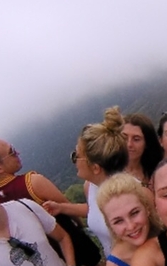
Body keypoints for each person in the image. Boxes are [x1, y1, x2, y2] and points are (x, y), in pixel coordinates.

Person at [0, 134, 103, 266]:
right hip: (70, 237)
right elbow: (68, 207)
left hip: (40, 256)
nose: (17, 153)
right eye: (12, 152)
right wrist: (79, 225)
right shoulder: (32, 182)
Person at [42, 107, 129, 257]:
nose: (74, 160)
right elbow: (94, 210)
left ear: (95, 168)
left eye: (77, 155)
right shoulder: (92, 187)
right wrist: (61, 208)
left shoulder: (127, 193)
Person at [121, 112, 163, 182]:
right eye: (124, 138)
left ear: (147, 143)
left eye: (136, 139)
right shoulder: (106, 170)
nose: (129, 144)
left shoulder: (155, 174)